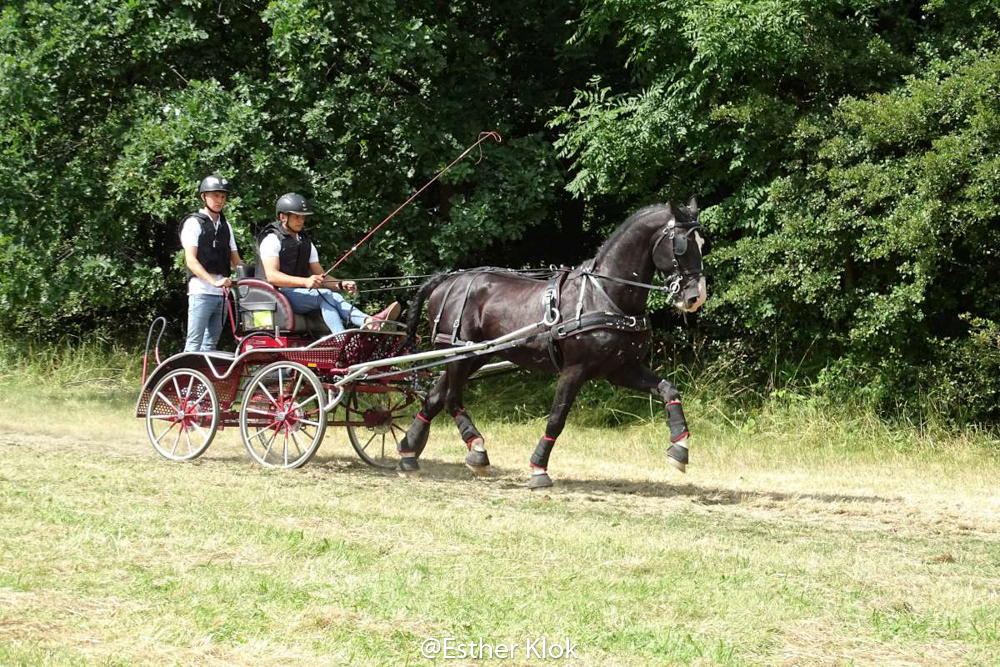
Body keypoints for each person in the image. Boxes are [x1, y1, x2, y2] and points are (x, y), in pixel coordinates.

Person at [256, 192, 400, 333]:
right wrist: (305, 282)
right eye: (297, 217)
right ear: (283, 217)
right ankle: (343, 337)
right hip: (276, 296)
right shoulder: (272, 239)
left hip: (298, 294)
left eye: (303, 217)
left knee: (333, 295)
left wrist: (340, 284)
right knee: (324, 295)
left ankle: (369, 322)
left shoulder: (305, 242)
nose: (301, 221)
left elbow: (322, 277)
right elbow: (272, 276)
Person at [179, 174, 245, 352]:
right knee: (194, 344)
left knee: (210, 345)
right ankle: (188, 371)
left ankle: (204, 372)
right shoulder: (194, 223)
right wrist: (213, 282)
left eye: (223, 196)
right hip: (201, 291)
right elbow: (191, 260)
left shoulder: (225, 226)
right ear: (203, 197)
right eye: (215, 196)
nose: (219, 200)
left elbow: (236, 262)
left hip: (222, 294)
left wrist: (254, 279)